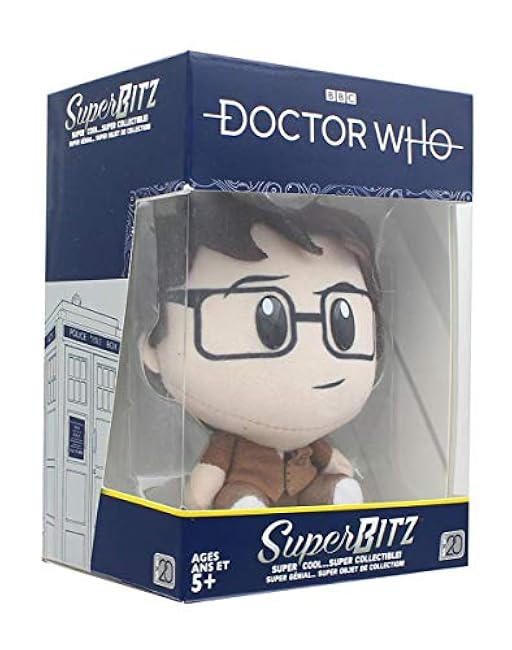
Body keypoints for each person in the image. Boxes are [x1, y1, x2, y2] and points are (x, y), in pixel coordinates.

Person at [142, 192, 383, 509]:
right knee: (241, 501)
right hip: (246, 488)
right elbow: (204, 486)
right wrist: (200, 499)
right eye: (273, 324)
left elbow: (335, 463)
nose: (307, 366)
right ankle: (243, 507)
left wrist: (338, 470)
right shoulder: (229, 444)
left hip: (307, 496)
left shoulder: (314, 446)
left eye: (342, 321)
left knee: (335, 490)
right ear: (152, 349)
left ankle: (333, 497)